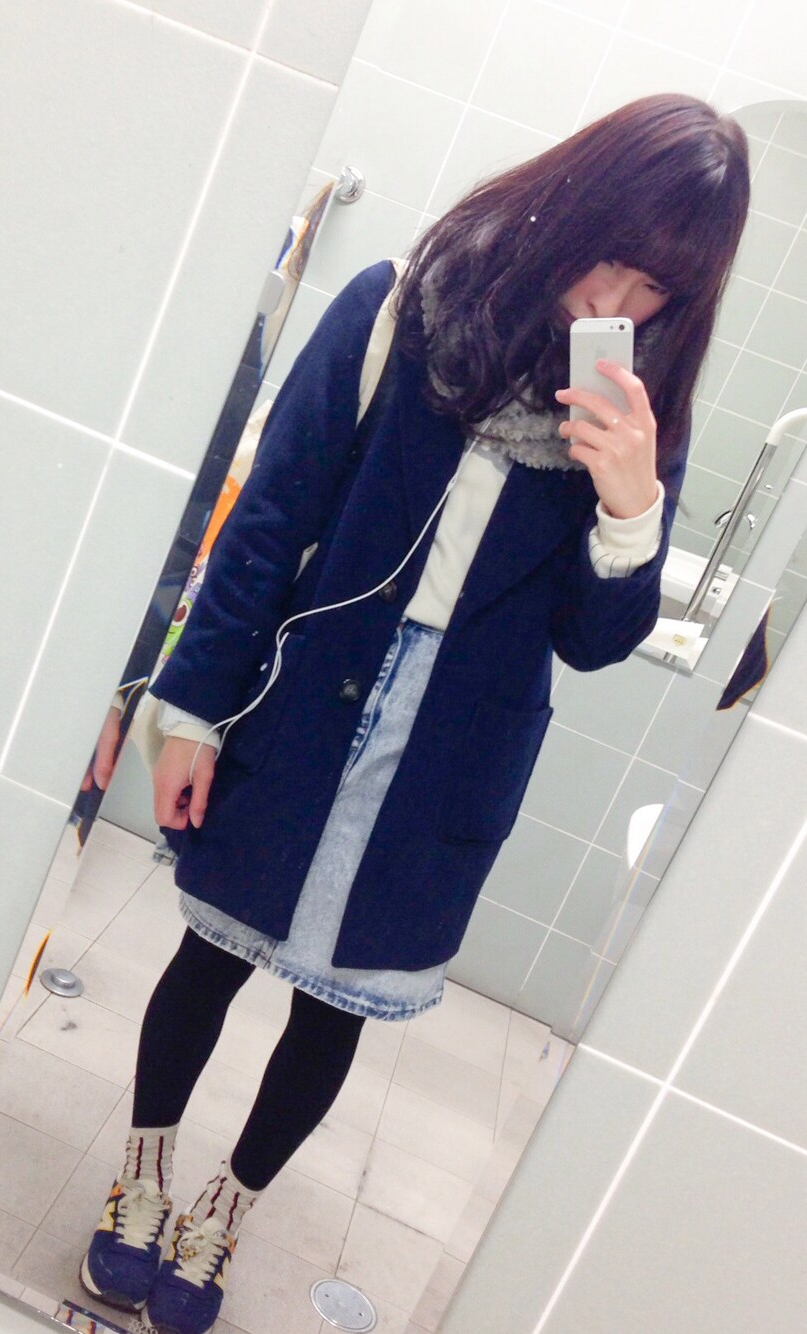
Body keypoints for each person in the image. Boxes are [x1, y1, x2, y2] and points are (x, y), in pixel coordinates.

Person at [79, 94, 749, 1333]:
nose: (613, 294)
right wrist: (195, 715)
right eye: (608, 251)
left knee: (335, 1004)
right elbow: (268, 520)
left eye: (654, 283)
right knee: (209, 952)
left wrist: (630, 506)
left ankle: (226, 1202)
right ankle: (143, 1167)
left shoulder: (638, 412)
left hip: (448, 753)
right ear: (570, 199)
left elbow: (593, 640)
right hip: (302, 700)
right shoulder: (401, 305)